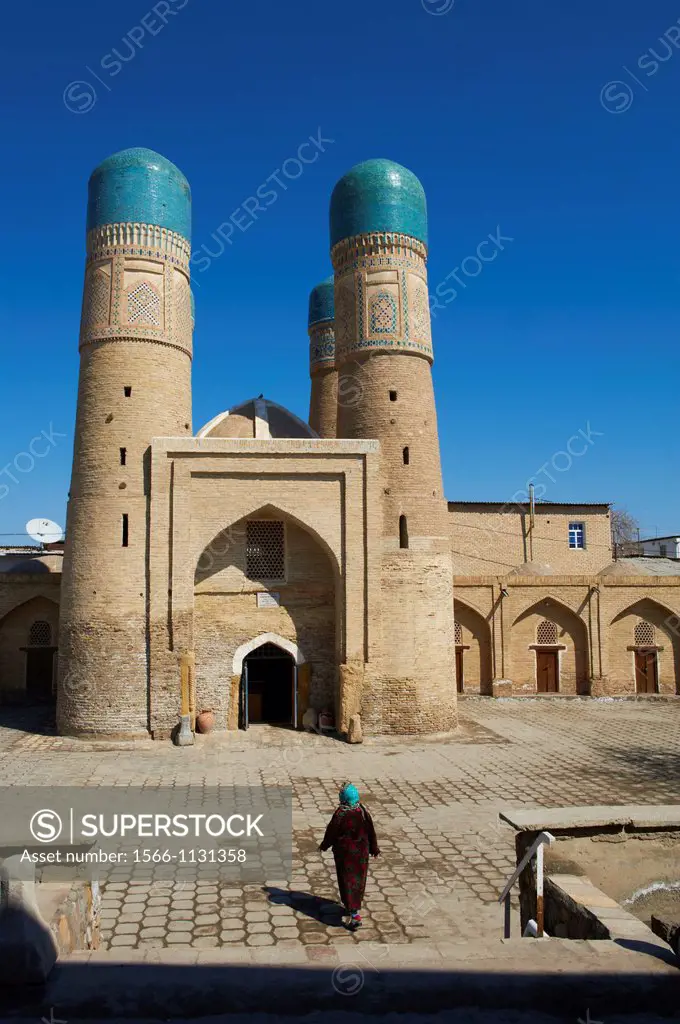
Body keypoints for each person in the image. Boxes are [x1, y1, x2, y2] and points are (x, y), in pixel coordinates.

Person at [318, 782, 380, 929]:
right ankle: (353, 907)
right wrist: (374, 849)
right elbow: (371, 831)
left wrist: (324, 845)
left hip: (345, 856)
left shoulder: (341, 813)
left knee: (347, 882)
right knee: (358, 883)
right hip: (361, 856)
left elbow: (331, 832)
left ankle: (354, 914)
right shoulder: (362, 811)